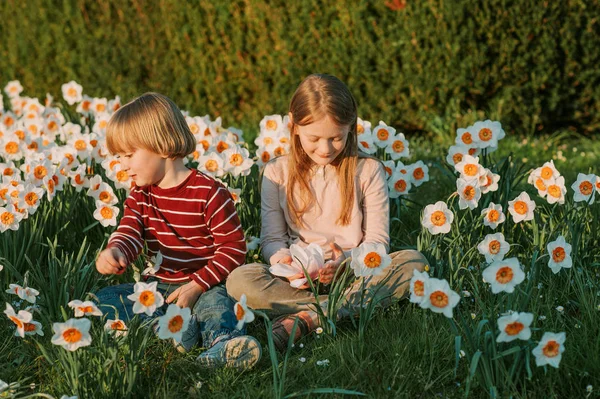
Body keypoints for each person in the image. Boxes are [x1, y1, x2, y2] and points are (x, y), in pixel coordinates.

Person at [226, 74, 428, 350]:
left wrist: (345, 261)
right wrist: (285, 261)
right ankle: (335, 309)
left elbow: (378, 243)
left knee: (412, 263)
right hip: (297, 279)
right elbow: (272, 240)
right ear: (293, 126)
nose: (325, 149)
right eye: (314, 138)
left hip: (355, 273)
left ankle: (308, 317)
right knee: (240, 280)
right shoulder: (276, 172)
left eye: (336, 138)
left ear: (351, 128)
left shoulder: (368, 170)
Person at [95, 92, 260, 369]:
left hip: (204, 284)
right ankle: (169, 327)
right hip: (157, 287)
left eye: (128, 155)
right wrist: (115, 250)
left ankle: (223, 346)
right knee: (102, 300)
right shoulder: (140, 195)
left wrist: (197, 285)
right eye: (119, 157)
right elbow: (130, 231)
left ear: (160, 145)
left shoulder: (209, 193)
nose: (122, 165)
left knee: (217, 306)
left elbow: (234, 249)